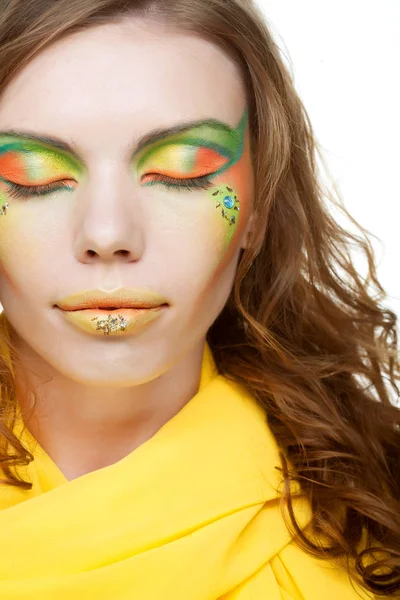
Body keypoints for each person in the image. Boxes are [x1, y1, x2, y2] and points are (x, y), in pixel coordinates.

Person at [0, 0, 398, 598]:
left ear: (260, 208)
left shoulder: (380, 508)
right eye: (34, 175)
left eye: (183, 172)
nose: (107, 234)